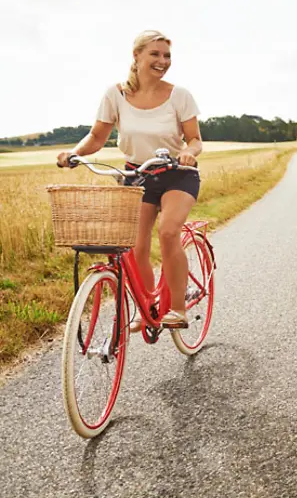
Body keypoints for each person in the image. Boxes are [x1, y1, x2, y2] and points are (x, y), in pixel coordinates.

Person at [57, 30, 203, 329]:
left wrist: (189, 153)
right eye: (155, 54)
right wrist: (74, 153)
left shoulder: (180, 95)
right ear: (136, 56)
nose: (163, 61)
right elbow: (98, 136)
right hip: (137, 174)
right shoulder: (116, 94)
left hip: (177, 173)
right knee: (135, 247)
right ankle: (147, 306)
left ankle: (177, 309)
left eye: (167, 56)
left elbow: (195, 140)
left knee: (168, 231)